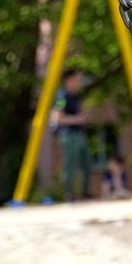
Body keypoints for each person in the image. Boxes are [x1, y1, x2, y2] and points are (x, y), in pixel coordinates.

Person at [52, 69, 92, 202]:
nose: (80, 83)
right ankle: (69, 193)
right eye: (77, 79)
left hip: (79, 134)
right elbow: (58, 118)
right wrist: (77, 119)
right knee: (70, 164)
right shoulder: (62, 97)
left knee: (87, 162)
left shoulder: (76, 96)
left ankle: (85, 192)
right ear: (69, 80)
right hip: (69, 135)